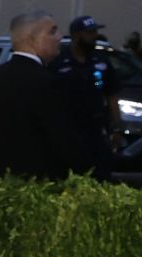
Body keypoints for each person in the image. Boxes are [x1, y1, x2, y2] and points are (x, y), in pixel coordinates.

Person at [0, 9, 82, 180]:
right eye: (52, 31)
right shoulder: (47, 82)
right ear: (32, 39)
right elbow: (62, 139)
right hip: (38, 183)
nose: (60, 37)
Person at [49, 14, 120, 180]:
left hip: (96, 129)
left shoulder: (101, 61)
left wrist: (116, 128)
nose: (94, 36)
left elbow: (112, 96)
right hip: (68, 129)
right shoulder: (58, 62)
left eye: (95, 32)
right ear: (76, 35)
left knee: (100, 174)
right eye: (89, 32)